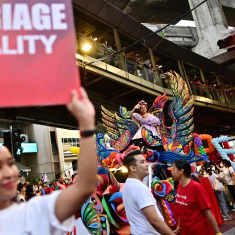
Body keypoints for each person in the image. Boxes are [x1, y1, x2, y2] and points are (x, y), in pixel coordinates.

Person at [0, 88, 97, 235]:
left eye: (10, 163)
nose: (8, 173)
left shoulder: (34, 211)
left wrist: (86, 124)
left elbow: (83, 188)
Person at [122, 150, 174, 235]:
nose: (147, 165)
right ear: (133, 168)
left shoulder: (128, 184)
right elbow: (154, 220)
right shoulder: (138, 187)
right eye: (142, 162)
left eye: (146, 161)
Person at [171, 160, 222, 235]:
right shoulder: (179, 186)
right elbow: (181, 211)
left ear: (181, 171)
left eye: (173, 169)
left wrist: (218, 232)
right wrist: (178, 227)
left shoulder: (196, 187)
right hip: (187, 231)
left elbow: (208, 212)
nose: (171, 172)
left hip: (200, 231)